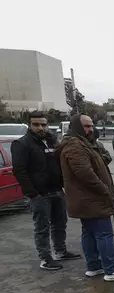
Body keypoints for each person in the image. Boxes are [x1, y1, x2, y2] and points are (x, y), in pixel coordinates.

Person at [57, 114, 114, 281]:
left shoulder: (84, 144)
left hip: (87, 199)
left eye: (91, 126)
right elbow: (85, 175)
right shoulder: (75, 146)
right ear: (76, 127)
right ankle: (111, 270)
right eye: (86, 126)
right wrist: (105, 191)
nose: (91, 129)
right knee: (104, 234)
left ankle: (94, 266)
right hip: (91, 199)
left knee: (90, 232)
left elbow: (101, 161)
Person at [11, 111, 80, 270]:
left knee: (60, 223)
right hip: (39, 195)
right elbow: (19, 171)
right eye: (36, 124)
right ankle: (45, 258)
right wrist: (33, 193)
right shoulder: (22, 144)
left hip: (57, 190)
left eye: (43, 124)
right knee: (42, 227)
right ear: (29, 125)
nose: (40, 127)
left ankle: (60, 251)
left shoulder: (52, 141)